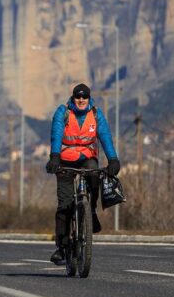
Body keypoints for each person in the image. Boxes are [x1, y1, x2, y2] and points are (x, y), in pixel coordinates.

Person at [45, 83, 120, 266]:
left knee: (94, 176)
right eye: (77, 97)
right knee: (64, 204)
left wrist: (113, 159)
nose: (80, 100)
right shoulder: (63, 113)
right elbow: (56, 134)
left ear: (88, 98)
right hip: (64, 159)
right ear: (73, 98)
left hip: (87, 157)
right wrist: (54, 157)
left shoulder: (95, 114)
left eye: (84, 97)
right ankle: (62, 248)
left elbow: (105, 137)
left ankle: (91, 212)